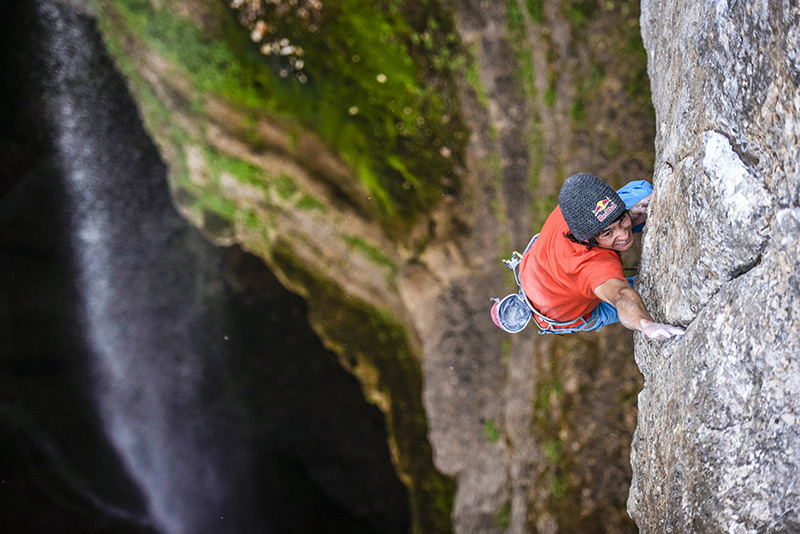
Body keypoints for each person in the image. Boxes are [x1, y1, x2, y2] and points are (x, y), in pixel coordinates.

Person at [515, 172, 684, 340]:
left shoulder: (584, 198)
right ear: (590, 240)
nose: (624, 236)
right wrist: (646, 324)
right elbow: (621, 296)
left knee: (643, 193)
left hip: (538, 264)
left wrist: (629, 214)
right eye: (608, 233)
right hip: (557, 310)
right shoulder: (592, 266)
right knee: (646, 292)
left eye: (621, 219)